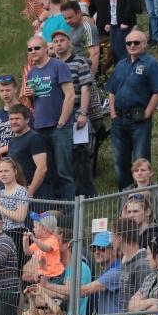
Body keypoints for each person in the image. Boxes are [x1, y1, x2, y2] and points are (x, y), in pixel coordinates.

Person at [106, 29, 158, 191]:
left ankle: (143, 197)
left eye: (136, 42)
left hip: (139, 120)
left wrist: (147, 113)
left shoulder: (152, 64)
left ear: (144, 44)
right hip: (118, 120)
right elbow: (111, 91)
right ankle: (125, 196)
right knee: (120, 161)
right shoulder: (121, 64)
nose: (132, 45)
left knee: (141, 161)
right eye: (129, 43)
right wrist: (112, 114)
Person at [25, 35, 76, 200]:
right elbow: (33, 105)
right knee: (46, 172)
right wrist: (29, 96)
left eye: (36, 48)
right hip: (40, 128)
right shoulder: (31, 73)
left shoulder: (58, 66)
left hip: (59, 127)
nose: (33, 51)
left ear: (46, 49)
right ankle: (52, 208)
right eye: (30, 49)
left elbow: (70, 95)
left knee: (64, 171)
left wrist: (62, 122)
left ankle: (70, 211)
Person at [51, 29, 95, 197]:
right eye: (55, 42)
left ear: (69, 42)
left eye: (62, 40)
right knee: (62, 156)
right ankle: (67, 194)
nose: (58, 44)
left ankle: (85, 194)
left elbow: (85, 89)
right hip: (57, 115)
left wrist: (83, 113)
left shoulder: (79, 62)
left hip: (76, 112)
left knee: (80, 155)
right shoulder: (51, 64)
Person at [0, 158, 30, 268]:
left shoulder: (21, 191)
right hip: (1, 236)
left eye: (6, 171)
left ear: (15, 171)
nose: (3, 174)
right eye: (0, 171)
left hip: (17, 234)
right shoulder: (0, 193)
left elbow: (20, 216)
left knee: (17, 269)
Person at [0, 75, 28, 184]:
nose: (5, 93)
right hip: (3, 167)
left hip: (21, 164)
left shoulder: (24, 111)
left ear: (15, 89)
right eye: (2, 91)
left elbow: (28, 138)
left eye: (8, 90)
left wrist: (3, 149)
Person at [7, 103, 51, 197]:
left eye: (17, 118)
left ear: (27, 120)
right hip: (18, 191)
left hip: (36, 195)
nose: (14, 122)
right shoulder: (12, 141)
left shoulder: (35, 138)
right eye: (11, 119)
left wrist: (29, 192)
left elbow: (42, 168)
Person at [24, 211, 66, 283]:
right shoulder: (39, 241)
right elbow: (28, 252)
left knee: (51, 289)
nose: (33, 229)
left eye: (35, 227)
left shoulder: (53, 239)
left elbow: (46, 248)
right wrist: (25, 241)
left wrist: (34, 239)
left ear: (44, 230)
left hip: (56, 275)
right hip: (45, 275)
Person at [107, 0, 138, 65]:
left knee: (121, 51)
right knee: (114, 51)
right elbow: (112, 3)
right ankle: (120, 72)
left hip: (123, 22)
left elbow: (130, 1)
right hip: (113, 21)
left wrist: (126, 21)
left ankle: (129, 72)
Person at [61, 0, 100, 74]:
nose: (67, 21)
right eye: (65, 18)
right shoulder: (71, 29)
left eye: (70, 17)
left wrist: (90, 76)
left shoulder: (88, 28)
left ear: (79, 13)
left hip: (83, 73)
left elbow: (94, 54)